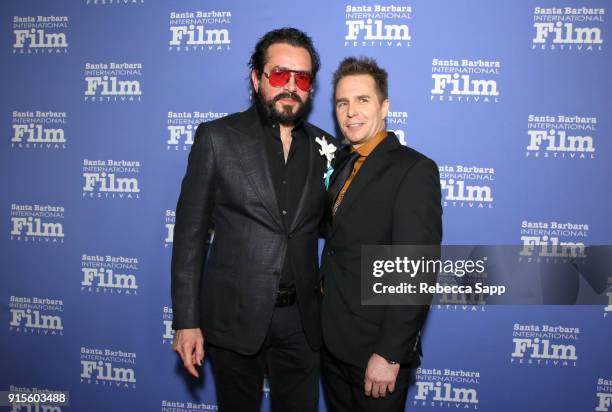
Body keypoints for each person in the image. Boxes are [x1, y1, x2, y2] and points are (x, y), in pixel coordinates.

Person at [170, 27, 336, 412]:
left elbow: (336, 228)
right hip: (234, 318)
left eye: (302, 78)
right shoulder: (217, 138)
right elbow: (190, 235)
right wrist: (186, 320)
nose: (290, 86)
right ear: (257, 78)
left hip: (302, 325)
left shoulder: (326, 148)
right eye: (279, 75)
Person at [320, 57, 443, 411]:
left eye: (363, 100)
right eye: (342, 103)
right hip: (333, 344)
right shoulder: (342, 163)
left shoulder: (413, 169)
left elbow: (416, 270)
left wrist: (389, 353)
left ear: (384, 106)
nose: (351, 112)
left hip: (375, 352)